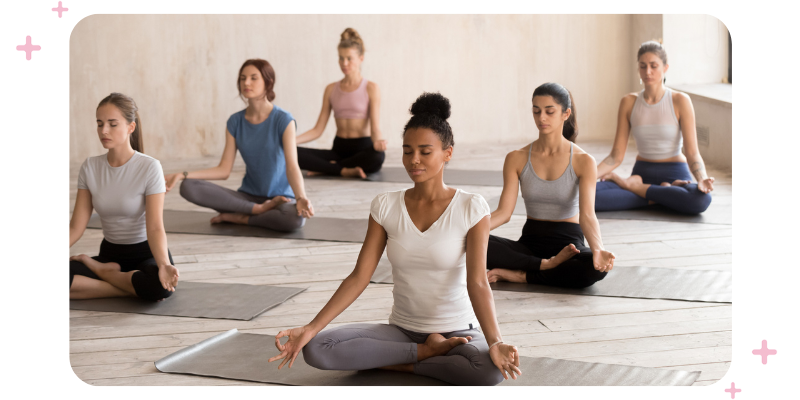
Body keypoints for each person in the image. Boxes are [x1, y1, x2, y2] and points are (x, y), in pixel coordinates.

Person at [268, 93, 520, 386]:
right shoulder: (386, 206)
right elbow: (360, 276)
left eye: (426, 152)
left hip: (457, 331)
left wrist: (495, 342)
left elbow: (477, 282)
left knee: (487, 370)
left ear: (447, 153)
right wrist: (310, 328)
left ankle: (397, 363)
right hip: (402, 331)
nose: (414, 160)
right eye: (407, 151)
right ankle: (424, 353)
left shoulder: (471, 207)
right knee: (316, 349)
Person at [486, 83, 615, 288]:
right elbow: (504, 212)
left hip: (569, 246)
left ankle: (523, 275)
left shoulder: (583, 161)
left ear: (566, 113)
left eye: (549, 111)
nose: (541, 118)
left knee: (595, 267)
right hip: (529, 245)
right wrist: (469, 230)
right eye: (536, 111)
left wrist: (598, 249)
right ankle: (544, 266)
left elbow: (588, 215)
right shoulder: (516, 158)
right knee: (471, 242)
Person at [165, 59, 314, 231]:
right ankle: (258, 210)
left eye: (253, 78)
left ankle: (242, 218)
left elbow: (292, 167)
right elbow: (224, 170)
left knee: (294, 220)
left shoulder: (284, 120)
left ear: (268, 82)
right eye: (243, 78)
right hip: (247, 198)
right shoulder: (235, 121)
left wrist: (301, 197)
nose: (246, 83)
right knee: (188, 186)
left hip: (282, 199)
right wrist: (182, 174)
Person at [69, 93, 179, 301]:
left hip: (146, 253)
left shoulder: (149, 167)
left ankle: (104, 273)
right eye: (100, 124)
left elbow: (155, 226)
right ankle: (125, 284)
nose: (104, 131)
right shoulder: (90, 167)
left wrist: (163, 264)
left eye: (112, 124)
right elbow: (75, 227)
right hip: (110, 255)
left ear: (131, 127)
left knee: (159, 286)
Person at [594, 41, 715, 214]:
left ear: (665, 68)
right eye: (643, 66)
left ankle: (634, 188)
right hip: (643, 172)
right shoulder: (628, 102)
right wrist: (589, 178)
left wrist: (702, 179)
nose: (648, 72)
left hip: (676, 173)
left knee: (701, 200)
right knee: (586, 195)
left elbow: (692, 152)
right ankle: (663, 195)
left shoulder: (680, 100)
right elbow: (616, 156)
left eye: (654, 66)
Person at [295, 27, 386, 179]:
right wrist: (291, 141)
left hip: (362, 149)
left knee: (378, 157)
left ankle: (329, 168)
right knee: (290, 152)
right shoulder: (331, 89)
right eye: (340, 58)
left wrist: (378, 142)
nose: (344, 63)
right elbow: (318, 130)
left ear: (361, 58)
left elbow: (375, 128)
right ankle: (343, 169)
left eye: (349, 58)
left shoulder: (371, 88)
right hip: (338, 150)